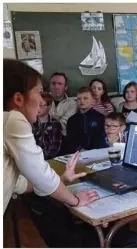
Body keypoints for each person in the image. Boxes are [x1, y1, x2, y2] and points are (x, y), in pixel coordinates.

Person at [3, 58, 98, 213]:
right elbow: (40, 174)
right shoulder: (13, 120)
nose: (42, 101)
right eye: (39, 93)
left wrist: (60, 180)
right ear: (19, 99)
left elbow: (19, 182)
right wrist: (76, 200)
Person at [66, 87, 106, 153]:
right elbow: (70, 140)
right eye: (78, 99)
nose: (81, 101)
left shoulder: (100, 117)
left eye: (85, 98)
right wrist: (79, 149)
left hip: (97, 152)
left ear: (93, 101)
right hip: (78, 154)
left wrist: (92, 151)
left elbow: (102, 137)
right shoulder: (71, 120)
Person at [32, 92, 62, 160]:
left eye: (41, 105)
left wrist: (44, 158)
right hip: (32, 158)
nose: (38, 108)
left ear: (49, 106)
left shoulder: (55, 123)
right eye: (36, 105)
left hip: (49, 159)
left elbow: (55, 146)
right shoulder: (30, 122)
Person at [49, 72, 77, 137]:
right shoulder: (42, 100)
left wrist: (49, 118)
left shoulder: (72, 104)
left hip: (63, 139)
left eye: (60, 84)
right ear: (50, 86)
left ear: (66, 87)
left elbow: (64, 125)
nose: (56, 87)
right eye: (53, 84)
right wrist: (58, 118)